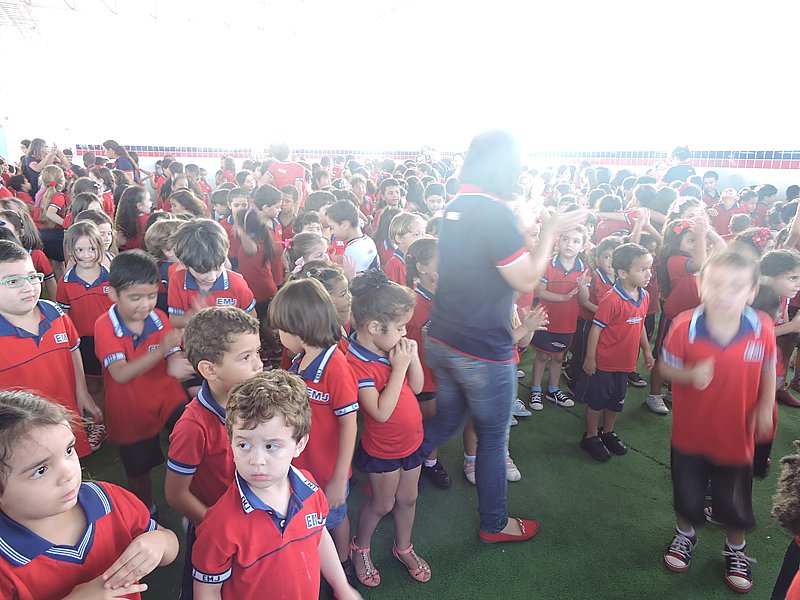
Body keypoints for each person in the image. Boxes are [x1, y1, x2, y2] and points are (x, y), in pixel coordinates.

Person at [420, 130, 586, 543]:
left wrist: (529, 228)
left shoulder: (458, 204)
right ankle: (495, 523)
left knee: (448, 420)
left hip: (444, 338)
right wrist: (549, 232)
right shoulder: (493, 213)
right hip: (480, 349)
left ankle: (383, 463)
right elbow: (526, 278)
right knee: (494, 440)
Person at [660, 251, 775, 594]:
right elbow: (664, 367)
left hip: (737, 436)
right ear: (700, 286)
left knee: (735, 501)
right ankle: (685, 534)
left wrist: (766, 404)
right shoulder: (684, 325)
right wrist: (688, 374)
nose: (725, 293)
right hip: (690, 436)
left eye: (736, 286)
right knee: (687, 494)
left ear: (752, 292)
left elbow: (769, 366)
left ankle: (736, 548)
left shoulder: (762, 327)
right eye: (717, 284)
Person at [191, 371, 361, 599]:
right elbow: (207, 591)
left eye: (271, 446)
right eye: (244, 445)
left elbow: (319, 535)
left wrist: (341, 586)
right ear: (231, 441)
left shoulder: (310, 489)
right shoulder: (219, 525)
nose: (256, 460)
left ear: (299, 444)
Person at [0, 390, 179, 599]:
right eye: (40, 470)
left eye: (68, 450)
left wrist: (159, 542)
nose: (69, 473)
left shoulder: (109, 499)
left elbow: (169, 543)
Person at [166, 307, 262, 599]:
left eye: (257, 352)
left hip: (256, 519)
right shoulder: (192, 426)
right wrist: (213, 525)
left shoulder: (258, 400)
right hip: (214, 527)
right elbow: (176, 493)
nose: (259, 364)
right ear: (209, 370)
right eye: (245, 357)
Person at [270, 279, 360, 585]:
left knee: (335, 519)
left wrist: (339, 478)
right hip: (301, 469)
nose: (279, 336)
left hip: (327, 473)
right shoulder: (298, 362)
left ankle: (343, 565)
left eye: (281, 330)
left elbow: (349, 424)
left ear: (298, 330)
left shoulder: (336, 366)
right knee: (308, 520)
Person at [346, 269, 431, 587]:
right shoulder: (356, 363)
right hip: (383, 449)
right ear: (374, 327)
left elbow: (418, 388)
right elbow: (380, 413)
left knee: (408, 499)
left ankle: (403, 547)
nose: (405, 333)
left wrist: (412, 359)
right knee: (382, 504)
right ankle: (360, 547)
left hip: (413, 441)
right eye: (400, 327)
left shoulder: (392, 348)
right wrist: (398, 368)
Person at [94, 250, 193, 513]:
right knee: (139, 469)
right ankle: (146, 511)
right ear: (113, 294)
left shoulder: (158, 317)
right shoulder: (104, 326)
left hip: (168, 398)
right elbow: (120, 374)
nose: (145, 305)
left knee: (193, 439)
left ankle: (196, 492)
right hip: (130, 410)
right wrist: (163, 350)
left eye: (151, 296)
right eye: (135, 297)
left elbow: (173, 350)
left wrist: (175, 359)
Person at [0, 239, 101, 457]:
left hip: (65, 418)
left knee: (68, 463)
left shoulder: (55, 313)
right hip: (18, 438)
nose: (28, 288)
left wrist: (81, 390)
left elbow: (72, 348)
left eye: (32, 277)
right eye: (13, 281)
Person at [575, 243, 654, 461]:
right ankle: (591, 436)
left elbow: (640, 326)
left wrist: (647, 350)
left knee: (617, 400)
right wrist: (590, 358)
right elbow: (596, 329)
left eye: (649, 268)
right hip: (604, 363)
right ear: (622, 273)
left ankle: (608, 432)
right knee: (597, 401)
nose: (649, 274)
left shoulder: (644, 295)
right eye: (642, 269)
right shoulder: (612, 299)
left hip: (626, 363)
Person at [404, 236, 453, 489]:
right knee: (427, 420)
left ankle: (428, 461)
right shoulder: (412, 304)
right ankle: (422, 463)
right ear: (421, 267)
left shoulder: (446, 295)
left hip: (444, 372)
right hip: (423, 375)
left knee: (437, 419)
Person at [529, 225, 589, 410]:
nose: (569, 244)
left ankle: (553, 390)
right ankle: (536, 390)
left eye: (576, 241)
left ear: (583, 246)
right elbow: (539, 292)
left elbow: (584, 300)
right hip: (545, 320)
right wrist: (562, 298)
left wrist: (582, 286)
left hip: (567, 323)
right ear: (558, 241)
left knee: (558, 357)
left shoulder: (584, 269)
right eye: (565, 239)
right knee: (542, 355)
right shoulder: (548, 264)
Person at [168, 219, 256, 329]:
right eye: (202, 271)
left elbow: (252, 317)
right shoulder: (177, 280)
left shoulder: (237, 283)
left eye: (218, 267)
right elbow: (174, 321)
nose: (212, 277)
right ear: (184, 264)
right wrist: (197, 315)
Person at [56, 221, 113, 382]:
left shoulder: (112, 278)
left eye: (92, 249)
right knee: (92, 382)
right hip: (83, 342)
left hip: (111, 336)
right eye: (80, 250)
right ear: (70, 250)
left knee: (115, 378)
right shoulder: (65, 283)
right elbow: (64, 317)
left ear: (100, 247)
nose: (86, 255)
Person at [567, 236, 621, 386]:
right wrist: (604, 313)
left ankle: (591, 380)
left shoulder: (620, 278)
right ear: (597, 259)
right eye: (606, 257)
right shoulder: (594, 277)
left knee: (598, 352)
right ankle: (575, 382)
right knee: (583, 353)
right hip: (589, 323)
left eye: (614, 257)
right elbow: (584, 302)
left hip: (607, 325)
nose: (611, 261)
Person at [327, 200, 379, 276]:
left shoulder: (353, 250)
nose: (331, 232)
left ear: (345, 225)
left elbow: (354, 281)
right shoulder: (368, 240)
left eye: (332, 228)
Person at [383, 212, 426, 285]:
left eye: (423, 234)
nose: (422, 238)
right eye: (416, 234)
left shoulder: (421, 259)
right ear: (399, 238)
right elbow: (392, 290)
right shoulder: (394, 264)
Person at [115, 186, 153, 251]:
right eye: (149, 200)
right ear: (139, 205)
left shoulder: (121, 219)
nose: (151, 203)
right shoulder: (148, 220)